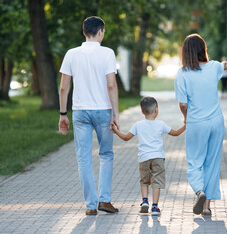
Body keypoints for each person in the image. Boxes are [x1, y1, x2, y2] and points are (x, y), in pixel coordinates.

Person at [58, 16, 119, 215]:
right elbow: (111, 85)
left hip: (80, 111)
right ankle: (105, 200)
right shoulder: (108, 53)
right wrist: (115, 114)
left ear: (84, 32)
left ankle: (91, 205)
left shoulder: (71, 54)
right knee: (106, 154)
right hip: (103, 110)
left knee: (83, 158)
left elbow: (63, 88)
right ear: (100, 32)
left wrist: (62, 114)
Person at [174, 34, 227, 215]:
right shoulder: (214, 67)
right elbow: (225, 65)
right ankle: (206, 206)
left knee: (194, 162)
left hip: (196, 123)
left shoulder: (182, 73)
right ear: (203, 50)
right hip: (216, 121)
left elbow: (183, 104)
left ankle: (199, 191)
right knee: (212, 163)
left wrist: (186, 117)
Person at [111, 97, 185, 216]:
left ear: (141, 111)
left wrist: (115, 130)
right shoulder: (160, 124)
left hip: (143, 158)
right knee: (157, 182)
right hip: (158, 158)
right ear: (156, 110)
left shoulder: (138, 125)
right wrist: (186, 125)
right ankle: (155, 207)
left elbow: (125, 138)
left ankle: (145, 201)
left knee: (144, 181)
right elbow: (175, 133)